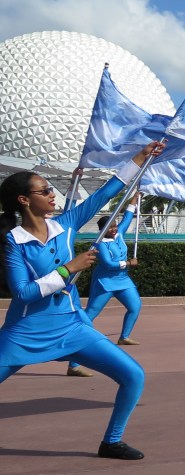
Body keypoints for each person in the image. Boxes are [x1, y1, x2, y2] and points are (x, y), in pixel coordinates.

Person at [0, 141, 164, 460]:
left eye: (50, 189)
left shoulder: (66, 223)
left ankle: (111, 442)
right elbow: (23, 293)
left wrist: (140, 157)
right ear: (24, 200)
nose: (52, 194)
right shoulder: (13, 242)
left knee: (133, 375)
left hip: (72, 328)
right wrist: (68, 268)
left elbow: (106, 193)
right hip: (24, 333)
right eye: (44, 190)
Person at [67, 192, 143, 377]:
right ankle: (73, 363)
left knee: (135, 306)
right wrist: (128, 263)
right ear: (104, 229)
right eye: (111, 227)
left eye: (116, 226)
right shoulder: (99, 244)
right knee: (89, 318)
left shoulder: (120, 234)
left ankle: (124, 337)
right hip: (105, 283)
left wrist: (134, 200)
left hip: (123, 281)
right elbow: (108, 264)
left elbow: (127, 217)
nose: (115, 229)